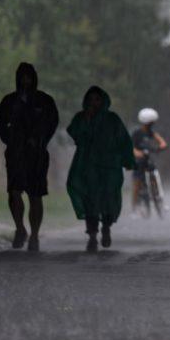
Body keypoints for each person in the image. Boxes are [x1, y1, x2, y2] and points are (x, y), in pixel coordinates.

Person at [0, 62, 59, 252]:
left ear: (34, 78)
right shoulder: (9, 101)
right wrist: (11, 140)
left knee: (35, 195)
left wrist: (41, 140)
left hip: (36, 155)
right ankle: (20, 228)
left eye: (28, 76)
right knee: (14, 192)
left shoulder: (44, 101)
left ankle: (35, 235)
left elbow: (52, 122)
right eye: (22, 77)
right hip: (15, 154)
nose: (25, 81)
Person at [66, 86, 135, 251]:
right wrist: (87, 121)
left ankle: (106, 227)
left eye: (97, 99)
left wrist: (127, 160)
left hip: (110, 167)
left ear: (103, 100)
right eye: (90, 99)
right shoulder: (81, 118)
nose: (94, 103)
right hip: (87, 166)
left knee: (109, 199)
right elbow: (75, 134)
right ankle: (92, 236)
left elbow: (124, 140)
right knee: (90, 200)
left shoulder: (112, 119)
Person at [131, 107, 168, 213]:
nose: (151, 124)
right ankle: (135, 205)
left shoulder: (150, 132)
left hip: (147, 158)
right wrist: (137, 153)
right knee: (137, 181)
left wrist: (162, 145)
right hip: (138, 160)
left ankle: (157, 196)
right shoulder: (137, 133)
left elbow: (161, 140)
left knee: (154, 173)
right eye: (150, 123)